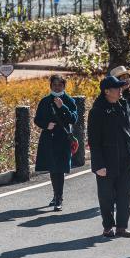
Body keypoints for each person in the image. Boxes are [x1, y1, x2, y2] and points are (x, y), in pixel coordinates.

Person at [87, 75, 130, 238]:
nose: (120, 90)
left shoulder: (123, 105)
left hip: (126, 158)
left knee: (126, 194)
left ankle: (122, 227)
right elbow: (93, 141)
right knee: (106, 196)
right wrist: (98, 165)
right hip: (106, 160)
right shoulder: (97, 111)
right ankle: (108, 226)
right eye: (117, 88)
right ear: (106, 91)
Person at [33, 74, 78, 212]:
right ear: (50, 86)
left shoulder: (69, 100)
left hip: (63, 139)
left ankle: (59, 198)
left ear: (64, 86)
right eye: (54, 85)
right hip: (49, 138)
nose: (57, 87)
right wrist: (46, 125)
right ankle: (56, 195)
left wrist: (62, 107)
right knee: (53, 168)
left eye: (60, 85)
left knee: (60, 168)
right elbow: (37, 119)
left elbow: (73, 119)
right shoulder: (45, 101)